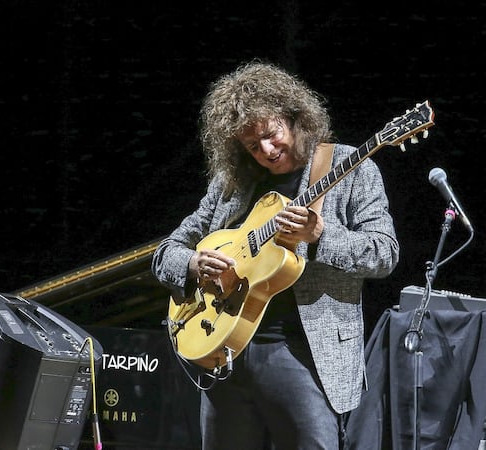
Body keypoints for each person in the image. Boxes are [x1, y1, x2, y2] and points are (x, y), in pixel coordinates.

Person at [151, 60, 400, 449]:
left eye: (271, 134)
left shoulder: (351, 169)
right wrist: (193, 263)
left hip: (304, 354)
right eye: (252, 145)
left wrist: (319, 237)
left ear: (295, 118)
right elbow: (167, 250)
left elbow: (385, 253)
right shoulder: (232, 184)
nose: (267, 150)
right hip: (227, 352)